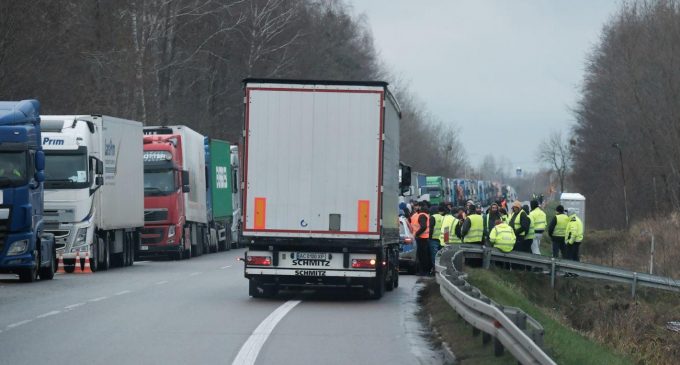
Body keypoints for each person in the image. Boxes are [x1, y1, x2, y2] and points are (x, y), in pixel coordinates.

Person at [411, 202, 432, 276]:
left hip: (422, 238)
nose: (416, 208)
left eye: (417, 206)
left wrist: (417, 234)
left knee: (422, 256)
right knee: (423, 255)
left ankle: (424, 271)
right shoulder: (422, 215)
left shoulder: (422, 215)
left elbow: (423, 227)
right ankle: (423, 271)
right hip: (423, 238)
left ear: (420, 207)